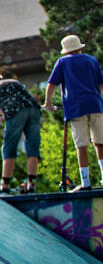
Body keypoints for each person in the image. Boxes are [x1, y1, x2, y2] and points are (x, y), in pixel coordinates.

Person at [43, 34, 103, 192]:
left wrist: (48, 102)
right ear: (80, 47)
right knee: (100, 143)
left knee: (81, 145)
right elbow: (101, 83)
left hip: (75, 107)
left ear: (66, 51)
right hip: (95, 104)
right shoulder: (91, 60)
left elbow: (51, 84)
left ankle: (86, 182)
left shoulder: (62, 62)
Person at [0, 70, 41, 195]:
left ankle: (5, 185)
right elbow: (21, 102)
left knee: (9, 147)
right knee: (32, 146)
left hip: (15, 113)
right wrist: (0, 113)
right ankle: (31, 184)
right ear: (0, 77)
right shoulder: (13, 82)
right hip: (34, 110)